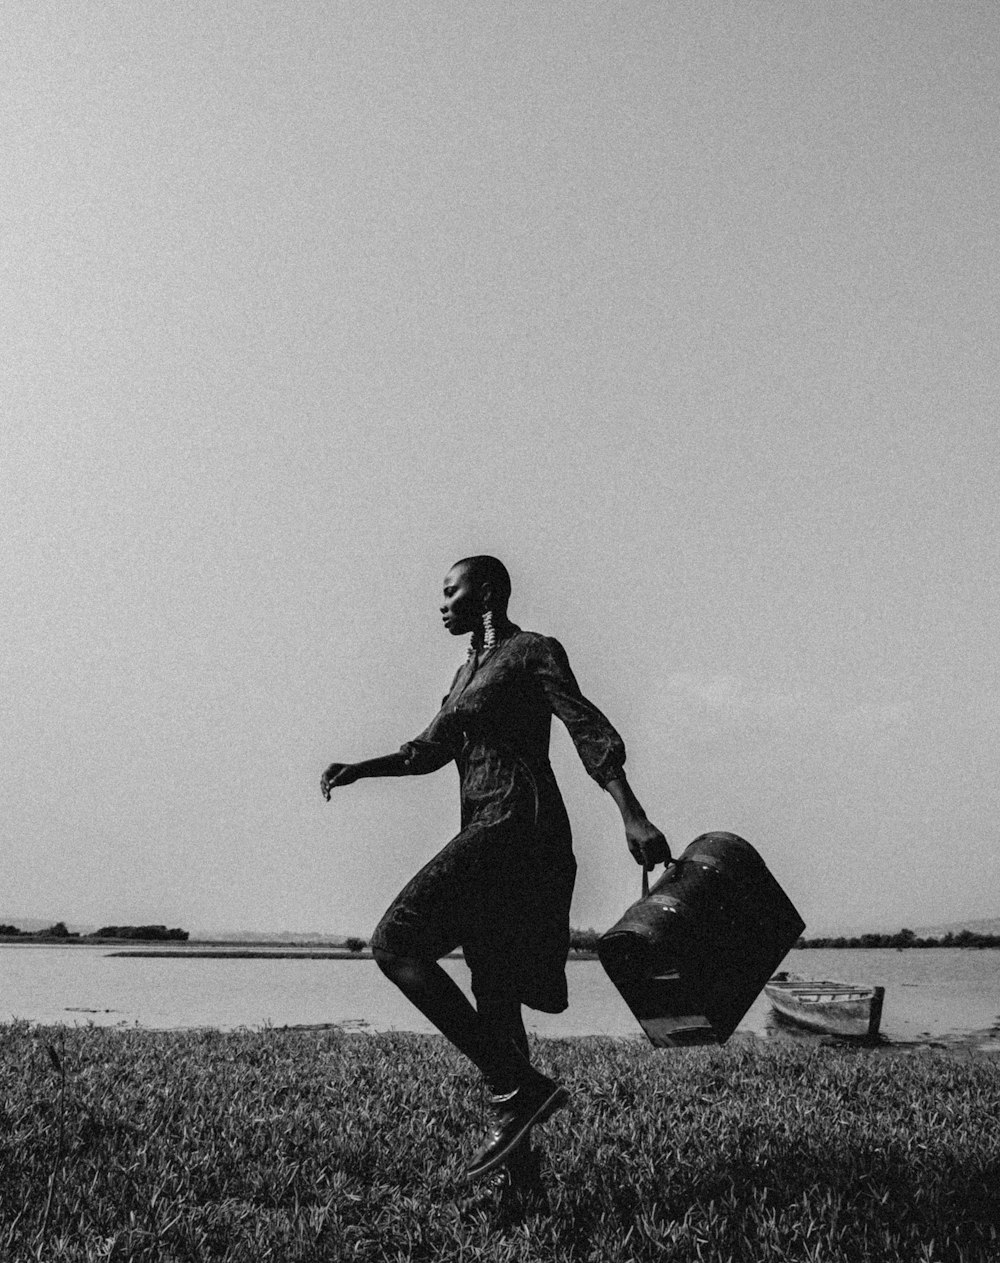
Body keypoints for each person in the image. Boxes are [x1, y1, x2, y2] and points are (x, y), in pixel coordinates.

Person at [321, 556, 668, 1186]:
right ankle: (521, 1175)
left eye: (451, 591)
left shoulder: (532, 651)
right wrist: (359, 768)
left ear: (485, 592)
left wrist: (632, 814)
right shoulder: (462, 676)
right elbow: (425, 752)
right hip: (483, 826)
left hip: (518, 826)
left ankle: (514, 1087)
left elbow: (586, 727)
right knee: (495, 991)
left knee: (396, 944)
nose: (442, 604)